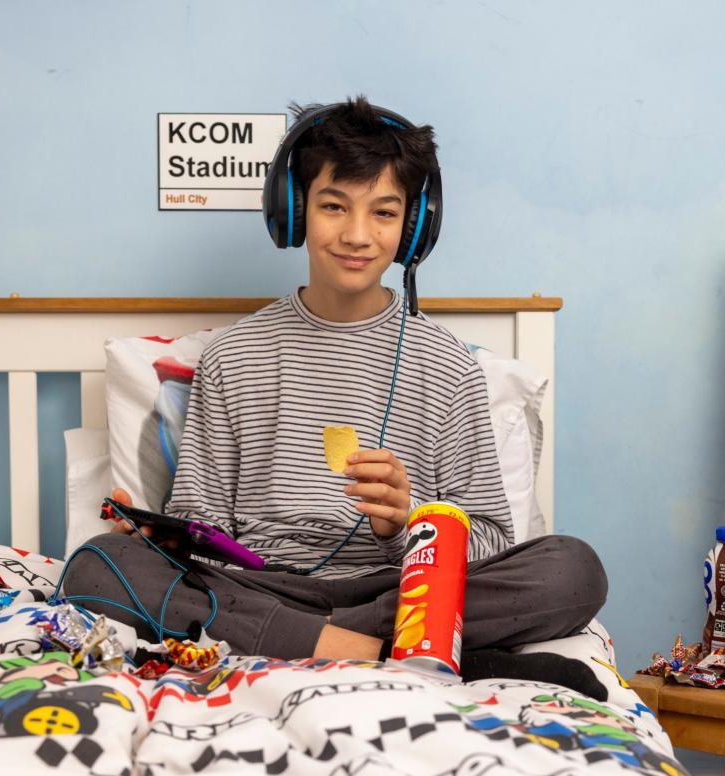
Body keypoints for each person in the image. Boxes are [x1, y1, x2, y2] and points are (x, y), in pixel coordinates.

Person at [64, 97, 608, 697]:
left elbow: (488, 538)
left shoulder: (449, 365)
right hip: (260, 585)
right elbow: (205, 523)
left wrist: (408, 522)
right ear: (295, 211)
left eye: (384, 212)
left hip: (398, 590)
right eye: (332, 206)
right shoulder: (233, 356)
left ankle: (303, 641)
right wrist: (156, 538)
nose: (357, 235)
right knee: (97, 567)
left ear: (413, 225)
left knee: (574, 571)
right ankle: (377, 654)